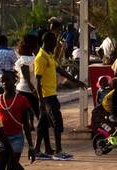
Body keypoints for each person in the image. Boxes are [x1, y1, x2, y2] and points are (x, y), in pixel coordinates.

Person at [35, 31, 82, 159]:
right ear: (48, 42)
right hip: (47, 97)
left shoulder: (48, 56)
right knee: (57, 123)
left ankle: (37, 151)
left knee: (43, 124)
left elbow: (60, 70)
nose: (56, 45)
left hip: (51, 94)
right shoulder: (40, 58)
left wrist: (76, 81)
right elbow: (38, 82)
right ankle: (58, 151)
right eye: (54, 43)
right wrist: (41, 101)